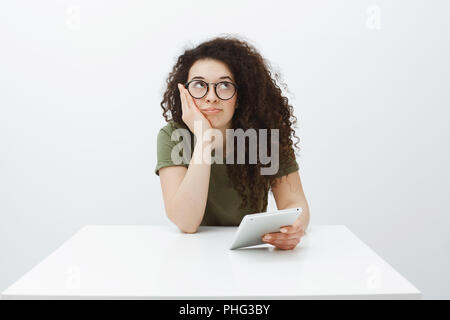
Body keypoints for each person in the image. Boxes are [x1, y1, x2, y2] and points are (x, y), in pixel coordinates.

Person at [155, 36, 310, 250]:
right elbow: (186, 222)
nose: (211, 97)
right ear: (185, 93)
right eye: (200, 85)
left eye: (224, 85)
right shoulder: (172, 136)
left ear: (240, 97)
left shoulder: (265, 135)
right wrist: (204, 137)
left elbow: (295, 204)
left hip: (250, 253)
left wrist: (294, 228)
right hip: (190, 254)